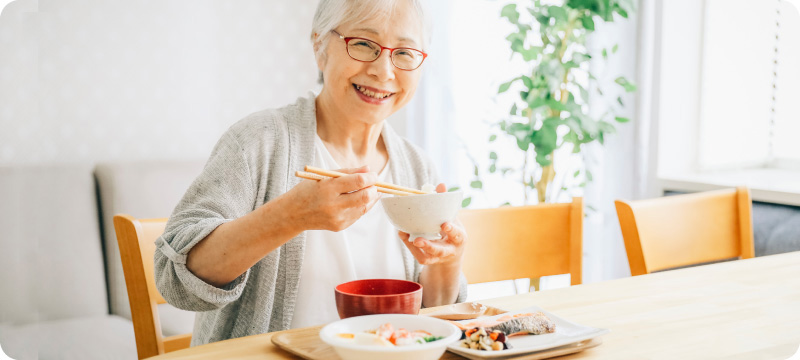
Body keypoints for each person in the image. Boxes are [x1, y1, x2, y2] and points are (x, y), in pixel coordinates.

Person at [154, 0, 468, 346]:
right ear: (320, 47)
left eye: (405, 53)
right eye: (363, 44)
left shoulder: (416, 166)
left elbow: (433, 322)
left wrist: (447, 263)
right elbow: (175, 282)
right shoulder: (259, 142)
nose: (383, 71)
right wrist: (288, 217)